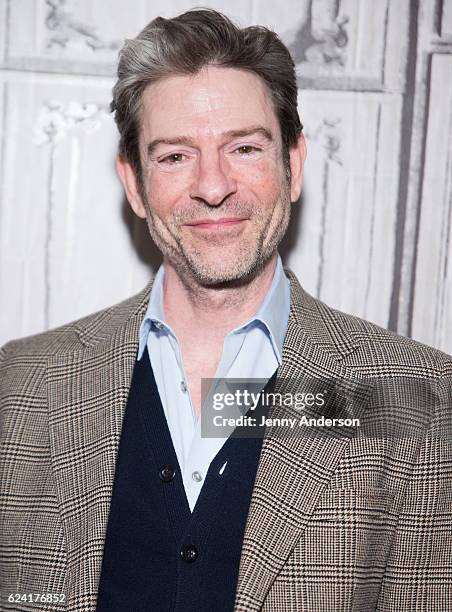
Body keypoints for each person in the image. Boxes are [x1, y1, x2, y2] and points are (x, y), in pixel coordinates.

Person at [1, 8, 451, 612]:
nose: (213, 186)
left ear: (293, 166)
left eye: (243, 147)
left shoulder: (414, 394)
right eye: (174, 157)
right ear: (134, 184)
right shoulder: (22, 383)